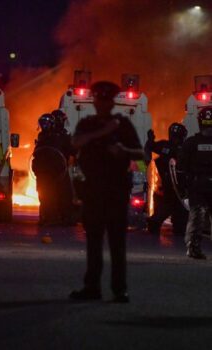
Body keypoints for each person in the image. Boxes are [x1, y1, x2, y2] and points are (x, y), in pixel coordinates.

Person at [69, 81, 144, 303]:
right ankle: (92, 287)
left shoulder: (123, 125)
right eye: (99, 99)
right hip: (93, 190)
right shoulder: (87, 123)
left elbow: (141, 154)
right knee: (93, 242)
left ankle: (119, 290)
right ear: (94, 100)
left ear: (112, 101)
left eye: (106, 99)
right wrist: (103, 132)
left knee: (117, 243)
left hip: (116, 191)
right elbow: (75, 143)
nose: (102, 103)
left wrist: (123, 151)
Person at [177, 106, 212, 260]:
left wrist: (184, 189)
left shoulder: (191, 143)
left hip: (197, 187)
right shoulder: (190, 143)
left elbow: (181, 168)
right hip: (200, 186)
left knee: (197, 216)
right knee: (198, 216)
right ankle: (193, 247)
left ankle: (193, 247)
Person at [145, 123, 189, 235]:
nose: (175, 139)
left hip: (180, 193)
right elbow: (150, 147)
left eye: (176, 136)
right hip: (172, 191)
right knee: (159, 218)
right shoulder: (167, 146)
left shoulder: (186, 149)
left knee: (179, 221)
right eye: (173, 136)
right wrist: (150, 141)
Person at [32, 113, 66, 225]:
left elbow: (60, 154)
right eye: (43, 123)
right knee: (43, 195)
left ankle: (53, 217)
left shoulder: (56, 137)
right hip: (43, 172)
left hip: (52, 172)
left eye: (46, 123)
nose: (44, 126)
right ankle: (45, 216)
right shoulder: (42, 137)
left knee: (52, 195)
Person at [51, 109, 76, 225]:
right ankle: (66, 218)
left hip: (48, 172)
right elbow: (73, 151)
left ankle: (49, 216)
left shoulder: (45, 134)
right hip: (61, 170)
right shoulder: (64, 136)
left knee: (47, 194)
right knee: (66, 194)